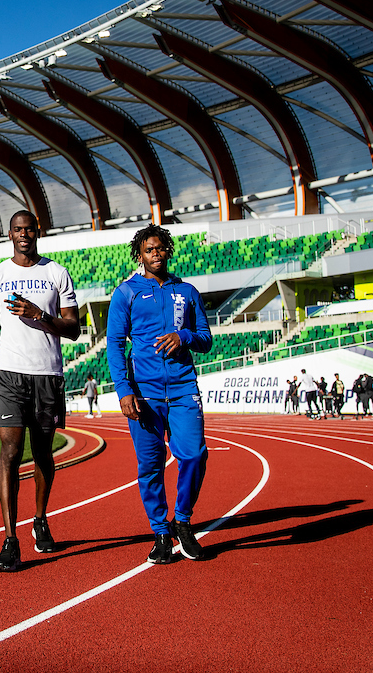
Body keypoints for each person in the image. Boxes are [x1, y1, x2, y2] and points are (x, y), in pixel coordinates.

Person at [0, 210, 80, 572]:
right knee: (10, 451)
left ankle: (40, 519)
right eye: (18, 229)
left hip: (47, 375)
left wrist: (40, 314)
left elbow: (74, 329)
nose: (24, 234)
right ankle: (10, 539)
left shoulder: (57, 273)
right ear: (9, 234)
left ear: (39, 232)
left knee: (42, 454)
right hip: (9, 374)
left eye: (30, 229)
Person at [107, 223, 212, 564]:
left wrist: (184, 337)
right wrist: (124, 390)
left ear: (168, 250)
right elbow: (114, 344)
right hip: (145, 394)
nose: (155, 254)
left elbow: (206, 339)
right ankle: (160, 533)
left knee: (194, 455)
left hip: (183, 388)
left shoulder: (188, 291)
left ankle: (182, 521)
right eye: (148, 250)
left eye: (160, 248)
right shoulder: (126, 293)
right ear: (140, 255)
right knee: (150, 466)